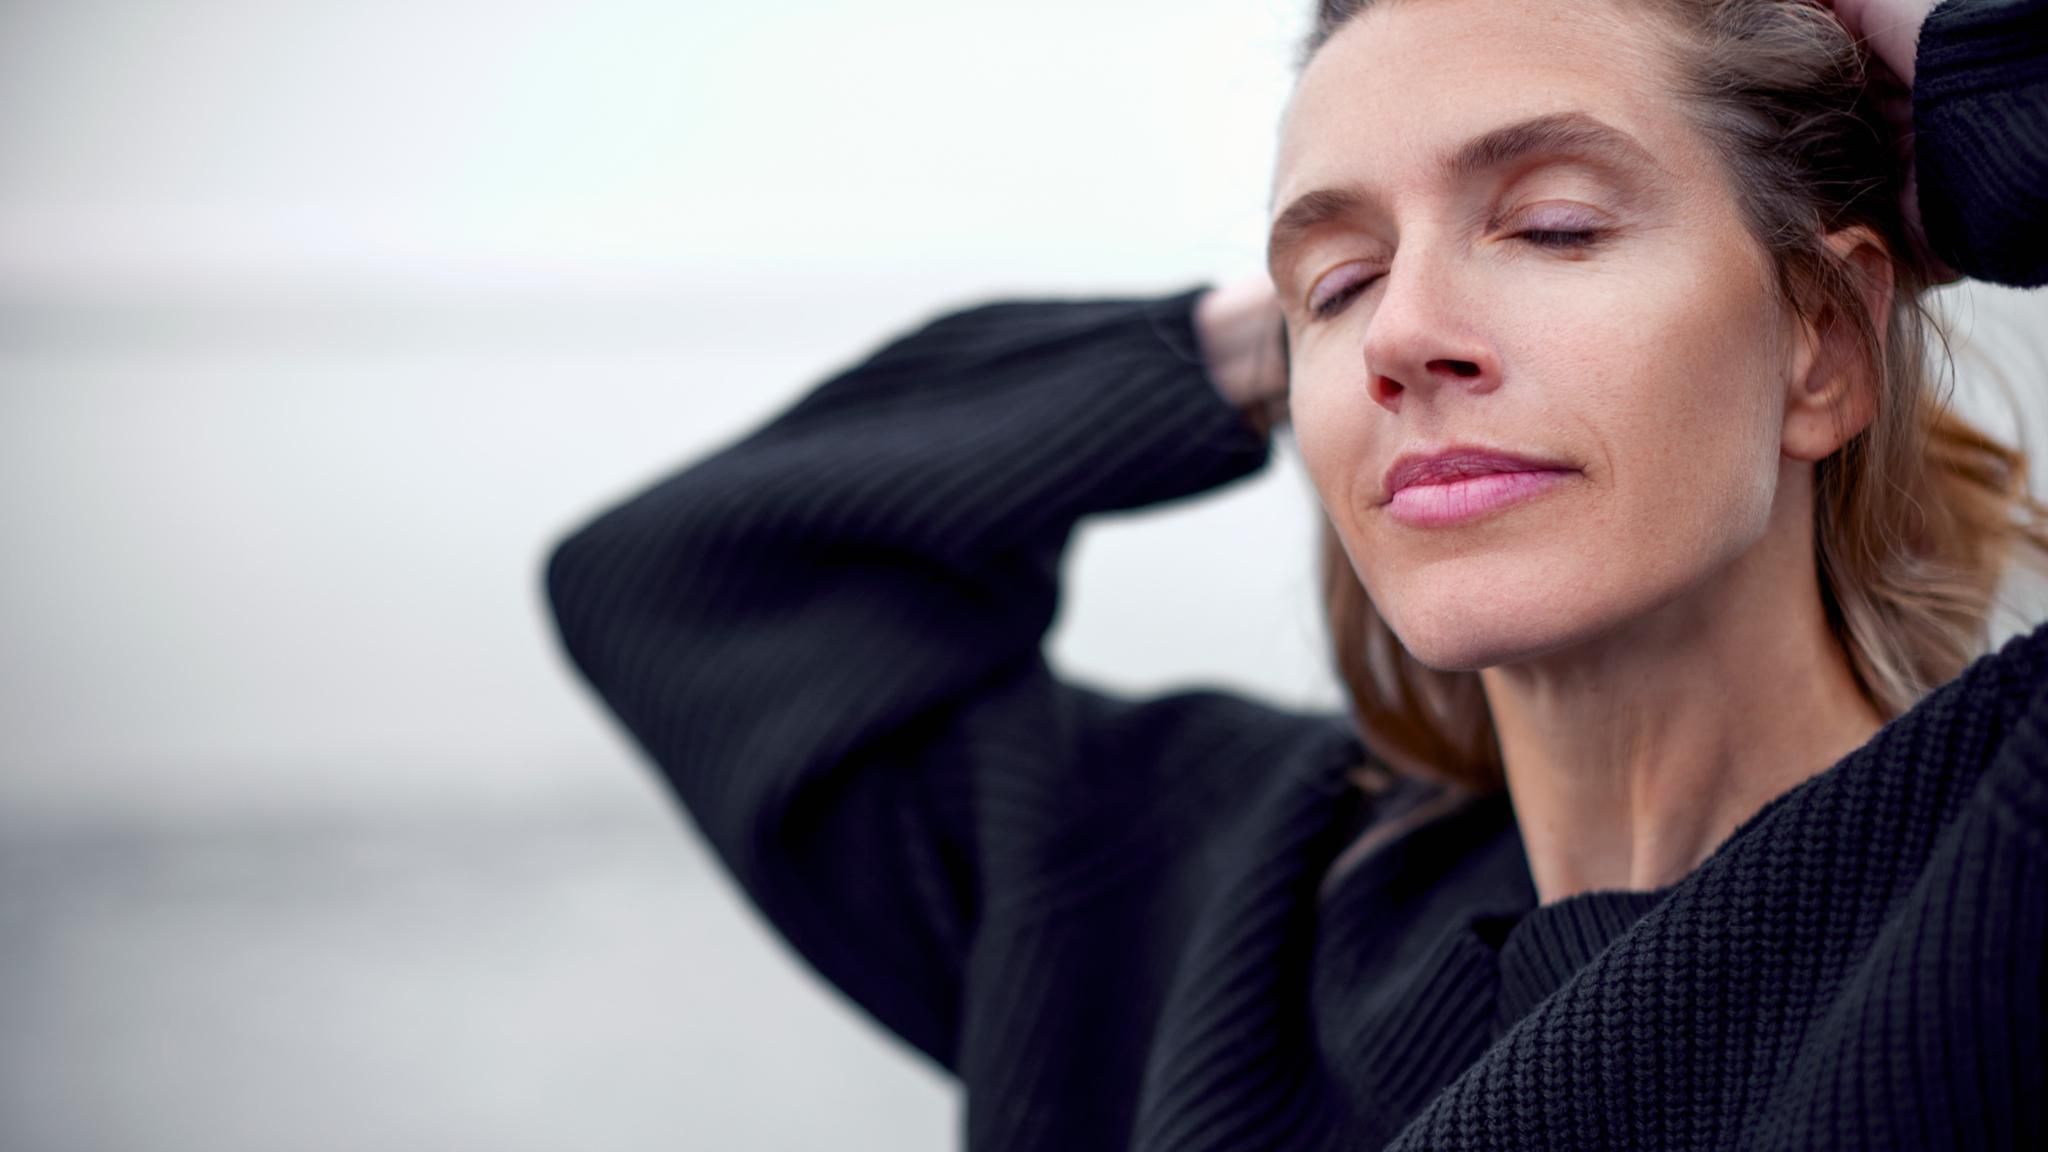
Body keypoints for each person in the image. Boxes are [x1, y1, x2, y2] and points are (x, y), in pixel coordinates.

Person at [544, 0, 2048, 1148]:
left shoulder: (1998, 863)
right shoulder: (1184, 895)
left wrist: (1975, 75)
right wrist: (1253, 345)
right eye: (1339, 283)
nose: (1402, 336)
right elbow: (684, 577)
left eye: (1553, 225)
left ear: (1823, 346)